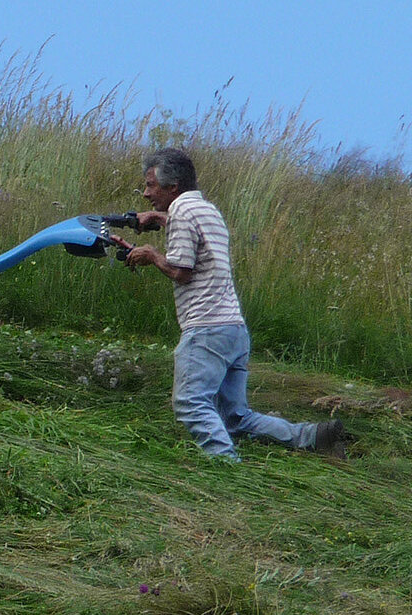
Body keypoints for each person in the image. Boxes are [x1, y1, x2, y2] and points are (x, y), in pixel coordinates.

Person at [121, 147, 346, 462]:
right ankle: (313, 436)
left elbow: (181, 272)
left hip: (206, 329)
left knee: (190, 403)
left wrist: (150, 255)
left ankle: (226, 465)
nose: (145, 194)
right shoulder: (206, 209)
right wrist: (159, 217)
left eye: (150, 186)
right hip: (233, 330)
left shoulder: (183, 214)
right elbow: (187, 231)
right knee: (234, 416)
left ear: (172, 187)